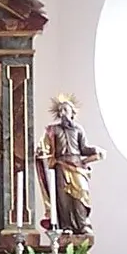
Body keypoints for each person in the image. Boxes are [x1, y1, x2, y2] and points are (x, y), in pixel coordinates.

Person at [38, 95, 101, 234]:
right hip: (61, 165)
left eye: (65, 110)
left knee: (81, 194)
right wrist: (41, 149)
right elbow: (45, 147)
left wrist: (95, 150)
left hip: (77, 165)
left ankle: (83, 224)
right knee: (63, 197)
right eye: (60, 111)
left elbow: (83, 148)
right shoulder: (52, 130)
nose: (62, 113)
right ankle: (66, 226)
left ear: (72, 112)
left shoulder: (78, 130)